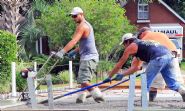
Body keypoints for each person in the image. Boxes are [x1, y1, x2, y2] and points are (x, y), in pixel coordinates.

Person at [103, 33, 185, 102]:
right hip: (169, 56)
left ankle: (144, 103)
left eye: (124, 44)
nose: (125, 47)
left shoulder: (131, 46)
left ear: (127, 41)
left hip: (158, 58)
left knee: (145, 82)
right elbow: (135, 68)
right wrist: (122, 75)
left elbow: (119, 64)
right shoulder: (142, 45)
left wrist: (109, 77)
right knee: (172, 83)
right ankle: (183, 91)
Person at [54, 7, 104, 103]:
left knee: (83, 80)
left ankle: (98, 95)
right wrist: (74, 52)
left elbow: (74, 41)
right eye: (72, 16)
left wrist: (62, 52)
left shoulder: (82, 26)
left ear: (81, 14)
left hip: (89, 57)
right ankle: (80, 98)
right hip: (88, 56)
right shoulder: (85, 25)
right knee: (83, 79)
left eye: (75, 16)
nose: (73, 18)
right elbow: (84, 44)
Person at [136, 27, 185, 101]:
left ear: (142, 33)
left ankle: (147, 100)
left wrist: (137, 67)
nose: (139, 39)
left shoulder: (144, 40)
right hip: (173, 56)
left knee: (152, 81)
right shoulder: (161, 34)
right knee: (174, 81)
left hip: (159, 58)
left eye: (139, 37)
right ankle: (182, 91)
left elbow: (137, 62)